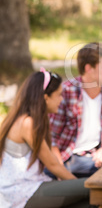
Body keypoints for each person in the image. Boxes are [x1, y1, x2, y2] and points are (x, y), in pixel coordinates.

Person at [0, 69, 89, 208]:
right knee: (92, 188)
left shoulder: (28, 120)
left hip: (31, 186)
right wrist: (77, 186)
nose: (61, 99)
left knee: (85, 203)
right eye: (59, 95)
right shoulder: (27, 123)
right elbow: (52, 164)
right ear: (46, 98)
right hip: (22, 193)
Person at [49, 42, 102, 178]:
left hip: (92, 159)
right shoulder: (66, 91)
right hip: (65, 158)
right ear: (89, 68)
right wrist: (60, 173)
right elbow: (51, 140)